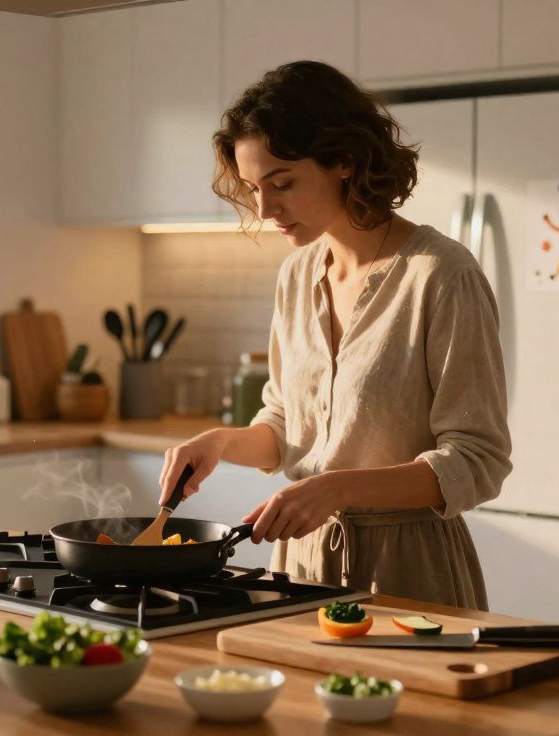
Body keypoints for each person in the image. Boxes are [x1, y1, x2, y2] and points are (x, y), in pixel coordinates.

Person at [156, 61, 512, 610]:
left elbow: (477, 460)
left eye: (283, 183)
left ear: (344, 161)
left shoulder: (440, 274)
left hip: (409, 575)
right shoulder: (297, 275)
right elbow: (284, 426)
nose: (265, 209)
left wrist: (339, 487)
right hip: (301, 568)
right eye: (254, 188)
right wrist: (221, 443)